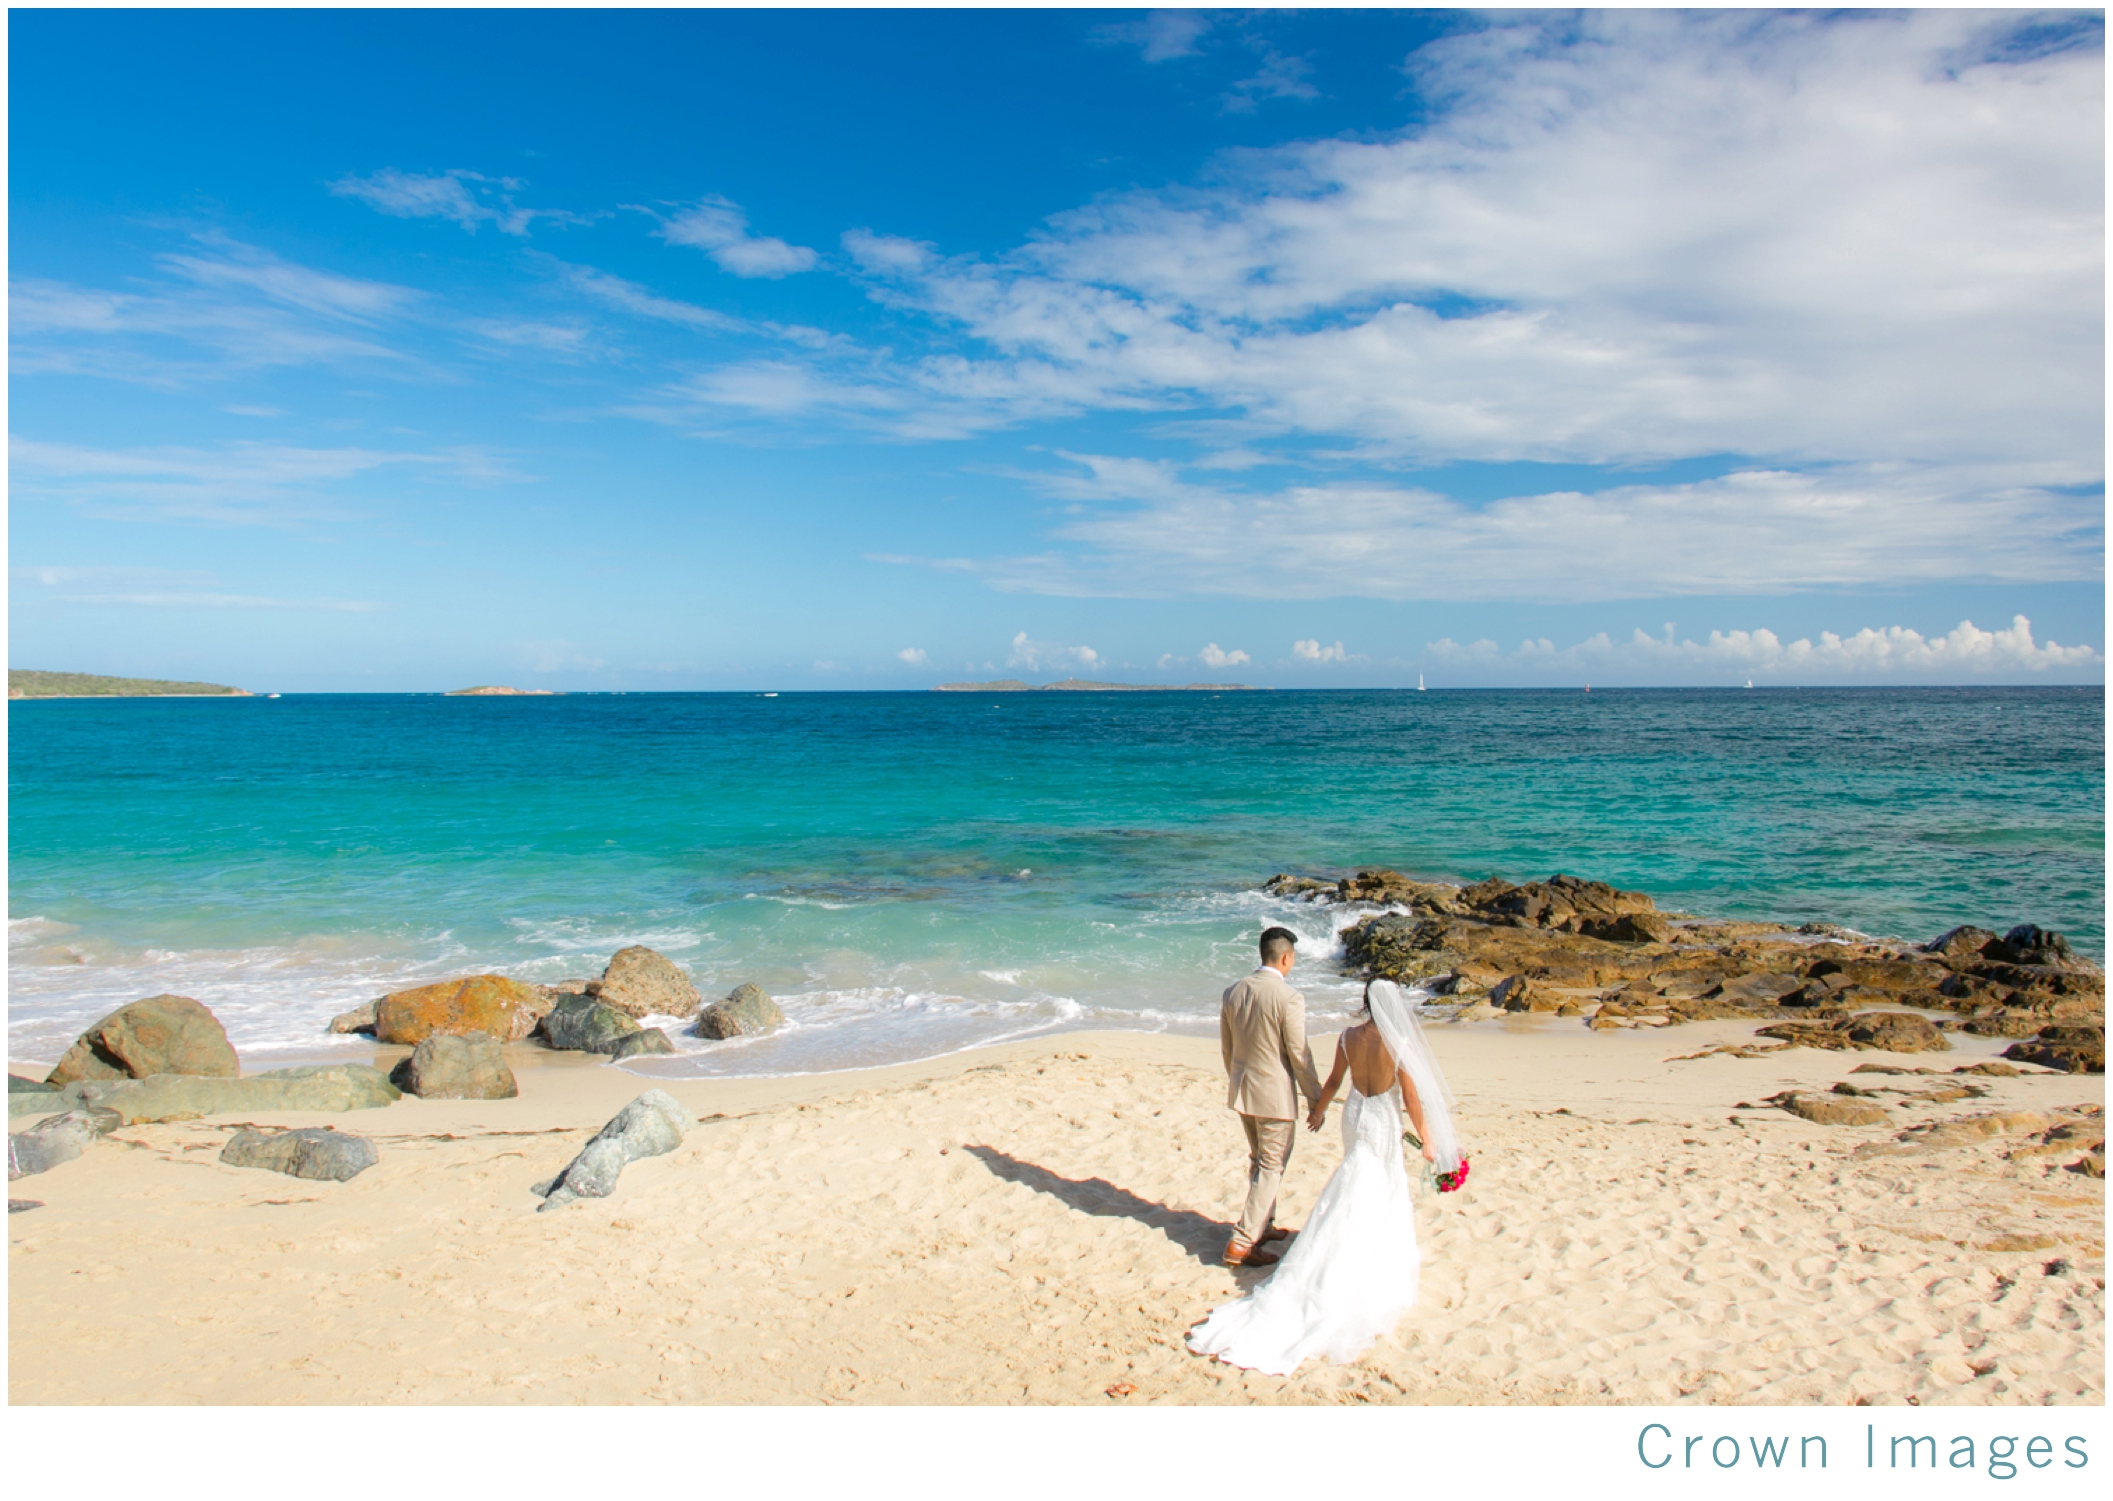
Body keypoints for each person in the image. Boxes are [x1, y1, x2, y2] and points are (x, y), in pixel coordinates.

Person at [1186, 978, 1463, 1376]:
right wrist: (1428, 1139)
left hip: (1353, 1115)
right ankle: (1360, 1257)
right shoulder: (1398, 1044)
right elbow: (1411, 1098)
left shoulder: (1348, 1037)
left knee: (1356, 1176)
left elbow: (1334, 1081)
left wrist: (1318, 1111)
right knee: (1378, 1184)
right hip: (1381, 1118)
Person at [1215, 926, 1323, 1268]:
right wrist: (1315, 1097)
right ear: (1286, 957)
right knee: (1271, 1166)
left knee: (1259, 1160)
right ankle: (1242, 1242)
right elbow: (1299, 1055)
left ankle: (1265, 1224)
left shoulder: (1233, 992)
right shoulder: (1289, 997)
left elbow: (1227, 1047)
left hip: (1244, 1089)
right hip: (1274, 1096)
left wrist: (1236, 1081)